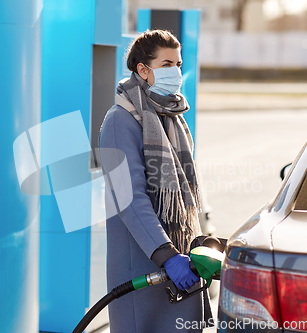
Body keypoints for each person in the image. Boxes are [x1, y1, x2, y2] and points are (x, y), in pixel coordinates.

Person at [98, 29, 213, 333]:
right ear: (142, 70)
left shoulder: (171, 115)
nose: (176, 71)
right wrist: (167, 256)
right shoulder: (118, 122)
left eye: (178, 63)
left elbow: (185, 193)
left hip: (180, 261)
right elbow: (129, 200)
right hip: (145, 263)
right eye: (166, 64)